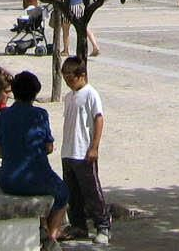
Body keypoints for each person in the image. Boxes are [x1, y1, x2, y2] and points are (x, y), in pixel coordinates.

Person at [0, 71, 68, 246]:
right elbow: (48, 147)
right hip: (36, 177)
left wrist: (14, 153)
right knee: (63, 193)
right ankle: (51, 237)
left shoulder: (3, 115)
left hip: (7, 180)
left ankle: (43, 230)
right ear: (34, 93)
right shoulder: (40, 115)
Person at [59, 57, 111, 246]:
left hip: (84, 151)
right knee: (73, 192)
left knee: (91, 190)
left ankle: (103, 225)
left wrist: (94, 146)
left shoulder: (91, 94)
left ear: (81, 75)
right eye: (64, 78)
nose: (68, 81)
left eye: (70, 78)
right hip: (69, 151)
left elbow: (98, 119)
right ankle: (78, 224)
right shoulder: (69, 97)